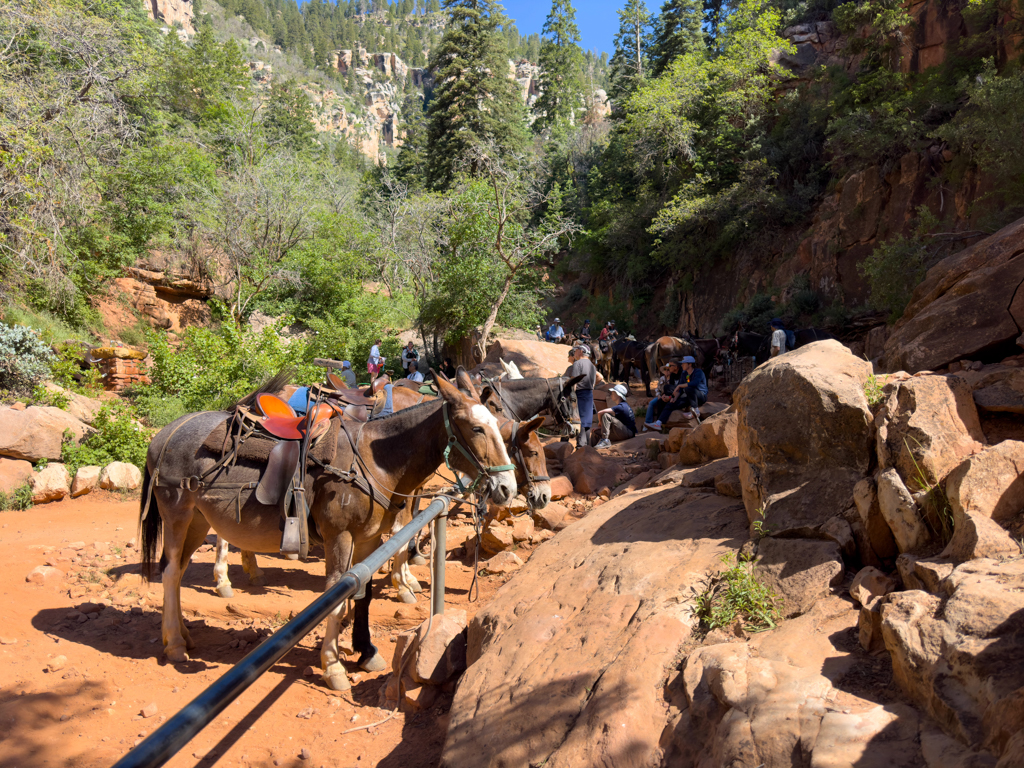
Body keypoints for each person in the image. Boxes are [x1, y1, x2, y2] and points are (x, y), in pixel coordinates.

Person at [645, 356, 707, 431]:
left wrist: (679, 386)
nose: (681, 365)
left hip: (700, 396)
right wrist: (674, 398)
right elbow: (680, 390)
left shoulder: (698, 372)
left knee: (689, 388)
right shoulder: (684, 373)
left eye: (683, 364)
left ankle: (696, 411)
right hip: (689, 397)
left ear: (690, 364)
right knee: (671, 404)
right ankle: (659, 423)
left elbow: (694, 383)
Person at [565, 344, 596, 447]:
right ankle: (588, 446)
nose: (575, 352)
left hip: (579, 394)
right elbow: (594, 383)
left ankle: (580, 446)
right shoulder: (592, 365)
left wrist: (571, 398)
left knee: (578, 420)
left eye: (577, 350)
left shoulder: (577, 364)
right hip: (589, 394)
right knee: (587, 422)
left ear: (581, 352)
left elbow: (573, 382)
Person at [594, 384, 638, 448]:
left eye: (613, 392)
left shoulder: (621, 407)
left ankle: (605, 441)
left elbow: (600, 413)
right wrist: (601, 428)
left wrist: (600, 424)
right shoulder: (623, 405)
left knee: (606, 415)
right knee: (596, 432)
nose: (611, 394)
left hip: (627, 433)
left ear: (618, 395)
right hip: (624, 433)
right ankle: (590, 449)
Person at [642, 363, 677, 430]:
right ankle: (647, 423)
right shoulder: (662, 378)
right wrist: (658, 395)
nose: (666, 371)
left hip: (669, 397)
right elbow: (658, 389)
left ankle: (659, 423)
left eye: (668, 370)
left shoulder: (673, 379)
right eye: (665, 370)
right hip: (661, 396)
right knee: (651, 403)